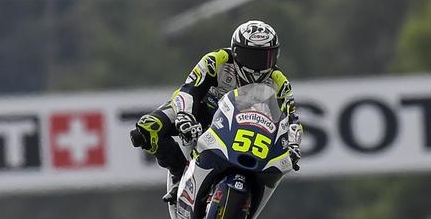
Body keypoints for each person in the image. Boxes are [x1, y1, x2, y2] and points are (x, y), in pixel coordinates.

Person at [129, 19, 303, 201]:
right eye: (252, 56)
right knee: (147, 129)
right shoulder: (216, 60)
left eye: (266, 57)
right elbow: (188, 90)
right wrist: (184, 116)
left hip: (241, 128)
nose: (258, 65)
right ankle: (180, 176)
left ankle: (248, 206)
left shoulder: (279, 81)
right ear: (236, 52)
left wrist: (293, 145)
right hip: (200, 112)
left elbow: (292, 119)